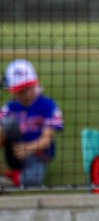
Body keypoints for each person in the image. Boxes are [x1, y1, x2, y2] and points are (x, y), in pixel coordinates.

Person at [1, 59, 63, 188]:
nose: (22, 94)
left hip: (38, 154)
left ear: (35, 84)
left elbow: (47, 139)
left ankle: (12, 178)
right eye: (19, 91)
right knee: (7, 122)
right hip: (14, 152)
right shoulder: (10, 107)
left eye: (25, 89)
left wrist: (29, 147)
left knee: (33, 180)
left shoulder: (48, 106)